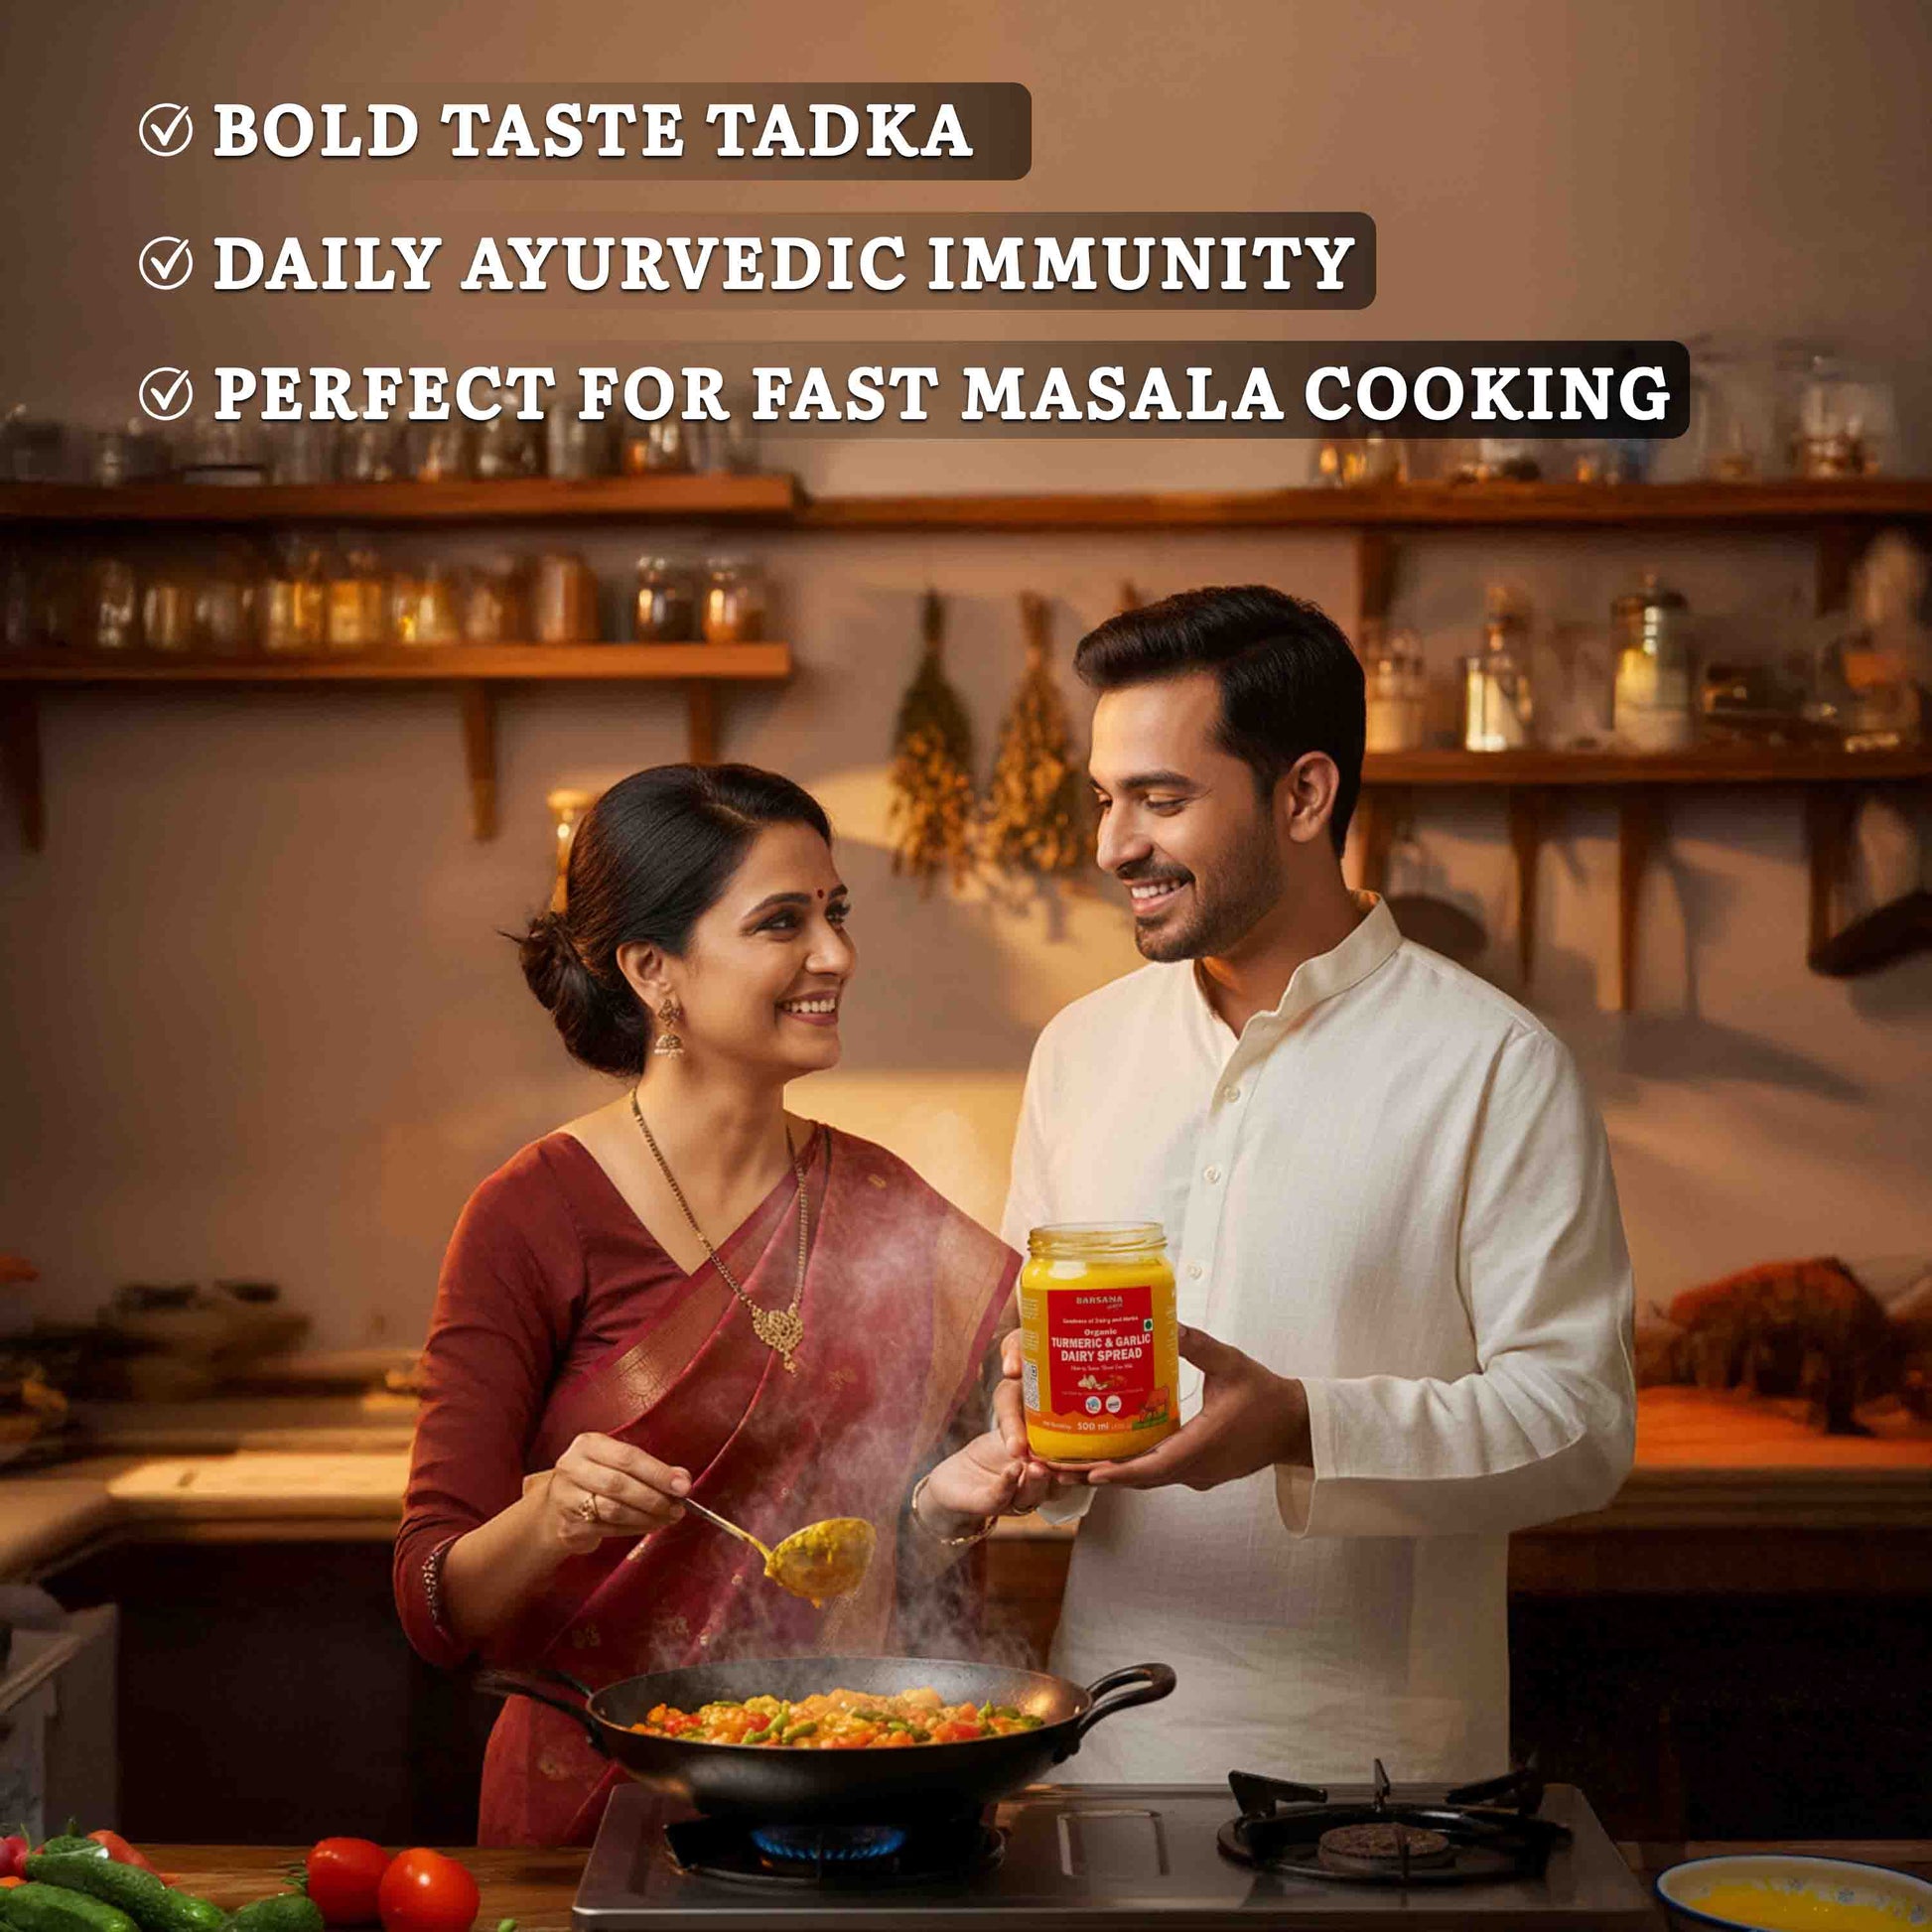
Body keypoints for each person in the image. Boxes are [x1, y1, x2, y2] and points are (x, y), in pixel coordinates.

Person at [999, 586, 1636, 1782]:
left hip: (1378, 1775)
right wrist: (1014, 1423)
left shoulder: (1491, 1065)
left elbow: (1580, 1424)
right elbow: (1022, 1349)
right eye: (1104, 798)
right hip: (1099, 1741)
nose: (1110, 844)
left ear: (1302, 793)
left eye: (1161, 798)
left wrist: (1304, 1424)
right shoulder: (1078, 1050)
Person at [394, 763, 1042, 1846]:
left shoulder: (883, 1203)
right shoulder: (531, 1214)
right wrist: (554, 1512)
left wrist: (938, 1509)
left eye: (834, 914)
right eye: (780, 922)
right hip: (592, 1808)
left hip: (847, 1787)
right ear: (654, 969)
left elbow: (913, 1557)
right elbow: (433, 1601)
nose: (834, 955)